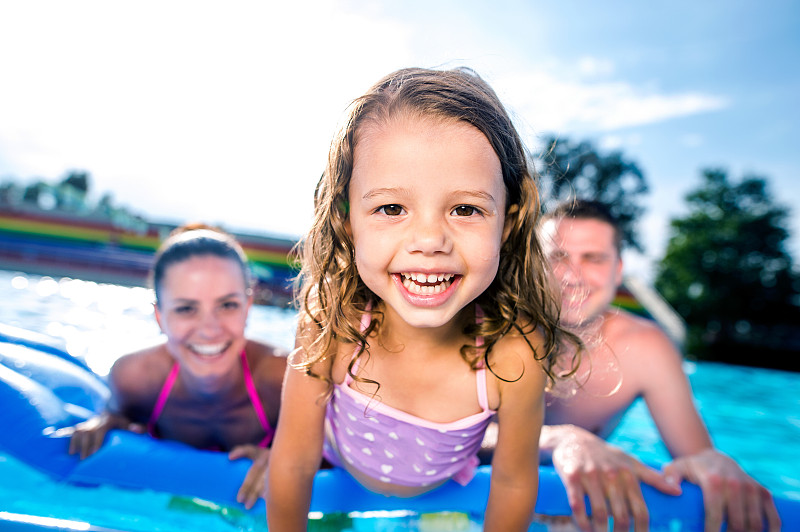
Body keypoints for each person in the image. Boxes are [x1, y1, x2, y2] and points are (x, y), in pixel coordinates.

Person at [266, 67, 580, 531]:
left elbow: (513, 484)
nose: (430, 240)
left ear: (507, 225)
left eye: (465, 209)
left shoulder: (513, 353)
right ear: (347, 220)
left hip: (443, 496)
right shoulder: (331, 321)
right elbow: (293, 462)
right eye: (392, 208)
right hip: (334, 474)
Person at [538, 199, 780, 532]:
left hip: (571, 509)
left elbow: (695, 458)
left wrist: (715, 465)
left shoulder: (646, 347)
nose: (571, 275)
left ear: (618, 269)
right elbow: (445, 433)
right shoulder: (495, 330)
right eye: (558, 257)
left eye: (593, 258)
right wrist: (559, 439)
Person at [67, 224, 288, 510]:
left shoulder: (284, 378)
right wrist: (108, 421)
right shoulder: (134, 379)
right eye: (186, 309)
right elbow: (117, 420)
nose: (210, 330)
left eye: (228, 305)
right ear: (159, 317)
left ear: (248, 306)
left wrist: (294, 459)